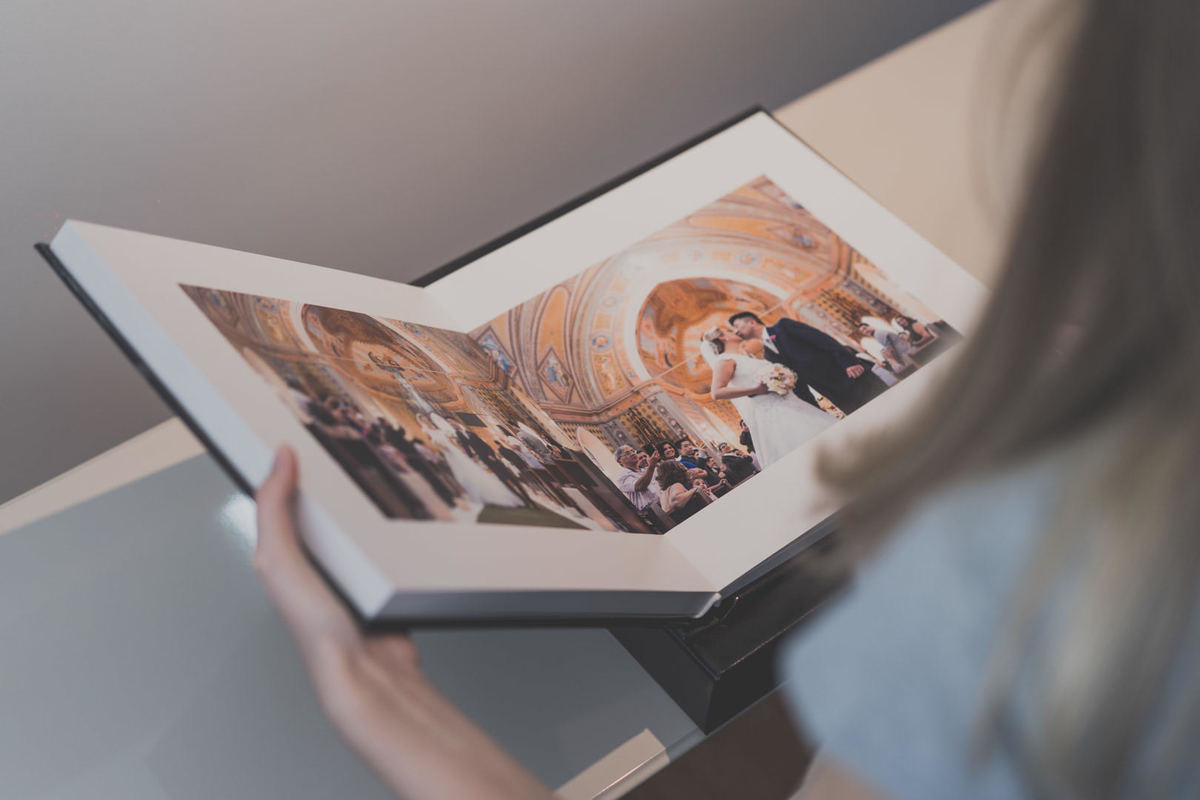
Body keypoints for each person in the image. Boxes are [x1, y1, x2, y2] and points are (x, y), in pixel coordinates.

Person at [254, 3, 1200, 795]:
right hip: (779, 425)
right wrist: (759, 373)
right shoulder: (727, 368)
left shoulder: (1022, 576)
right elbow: (728, 395)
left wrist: (387, 707)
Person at [702, 325, 836, 468]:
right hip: (771, 411)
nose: (734, 331)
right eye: (729, 331)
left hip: (788, 402)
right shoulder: (725, 360)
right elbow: (716, 392)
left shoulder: (743, 357)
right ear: (723, 337)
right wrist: (755, 389)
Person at [730, 310, 887, 414]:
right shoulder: (769, 355)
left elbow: (822, 340)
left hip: (850, 376)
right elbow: (796, 382)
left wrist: (848, 363)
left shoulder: (783, 326)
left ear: (751, 321)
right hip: (833, 392)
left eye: (737, 326)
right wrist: (814, 409)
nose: (736, 332)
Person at [655, 459, 711, 525]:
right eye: (683, 467)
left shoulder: (663, 494)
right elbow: (676, 501)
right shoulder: (676, 485)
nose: (686, 469)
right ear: (677, 471)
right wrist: (696, 489)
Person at [611, 444, 661, 513]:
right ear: (620, 461)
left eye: (633, 451)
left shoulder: (645, 470)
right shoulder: (622, 477)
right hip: (650, 511)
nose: (632, 454)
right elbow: (640, 486)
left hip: (663, 502)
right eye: (627, 453)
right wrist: (651, 466)